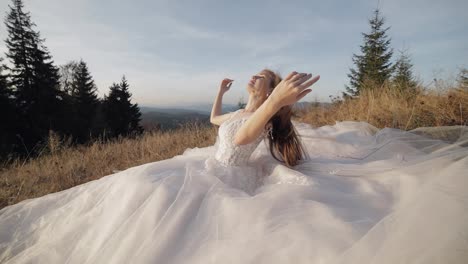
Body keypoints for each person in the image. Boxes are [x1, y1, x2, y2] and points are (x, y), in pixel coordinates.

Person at [0, 69, 467, 264]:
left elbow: (245, 136)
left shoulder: (259, 120)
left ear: (268, 91)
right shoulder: (244, 112)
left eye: (263, 78)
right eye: (256, 75)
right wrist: (224, 92)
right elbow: (214, 121)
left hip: (222, 180)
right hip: (211, 163)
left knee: (153, 199)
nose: (255, 78)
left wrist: (277, 102)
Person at [209, 69, 320, 167]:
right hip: (215, 167)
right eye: (256, 74)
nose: (253, 77)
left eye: (261, 77)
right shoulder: (238, 113)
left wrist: (276, 100)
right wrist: (221, 92)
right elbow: (214, 118)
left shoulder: (265, 120)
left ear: (271, 91)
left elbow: (240, 139)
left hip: (229, 177)